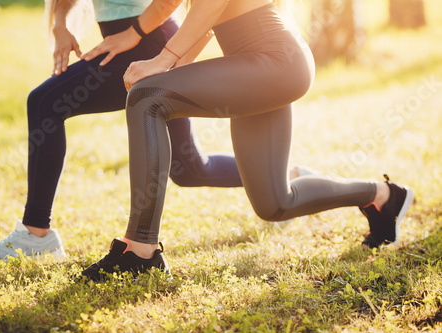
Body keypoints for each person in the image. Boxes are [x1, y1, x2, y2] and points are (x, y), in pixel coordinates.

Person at [78, 0, 414, 281]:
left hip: (274, 60)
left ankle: (139, 251)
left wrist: (165, 59)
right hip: (263, 65)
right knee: (275, 203)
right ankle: (383, 196)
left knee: (146, 98)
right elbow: (204, 14)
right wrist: (171, 62)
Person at [0, 0, 315, 261]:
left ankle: (37, 232)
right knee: (189, 168)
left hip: (148, 42)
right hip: (138, 41)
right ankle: (287, 175)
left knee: (45, 102)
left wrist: (139, 38)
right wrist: (60, 24)